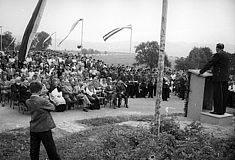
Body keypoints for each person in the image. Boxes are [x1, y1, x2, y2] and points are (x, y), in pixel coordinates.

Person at [26, 81, 61, 160]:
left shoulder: (28, 101)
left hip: (34, 127)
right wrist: (46, 99)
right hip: (44, 127)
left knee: (34, 149)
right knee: (50, 148)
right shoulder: (43, 101)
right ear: (40, 90)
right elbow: (53, 107)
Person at [199, 43, 230, 115]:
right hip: (225, 78)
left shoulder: (218, 54)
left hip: (218, 78)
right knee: (223, 95)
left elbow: (211, 63)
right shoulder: (226, 55)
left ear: (217, 48)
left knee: (218, 94)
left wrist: (201, 71)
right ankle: (222, 110)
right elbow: (222, 66)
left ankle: (217, 111)